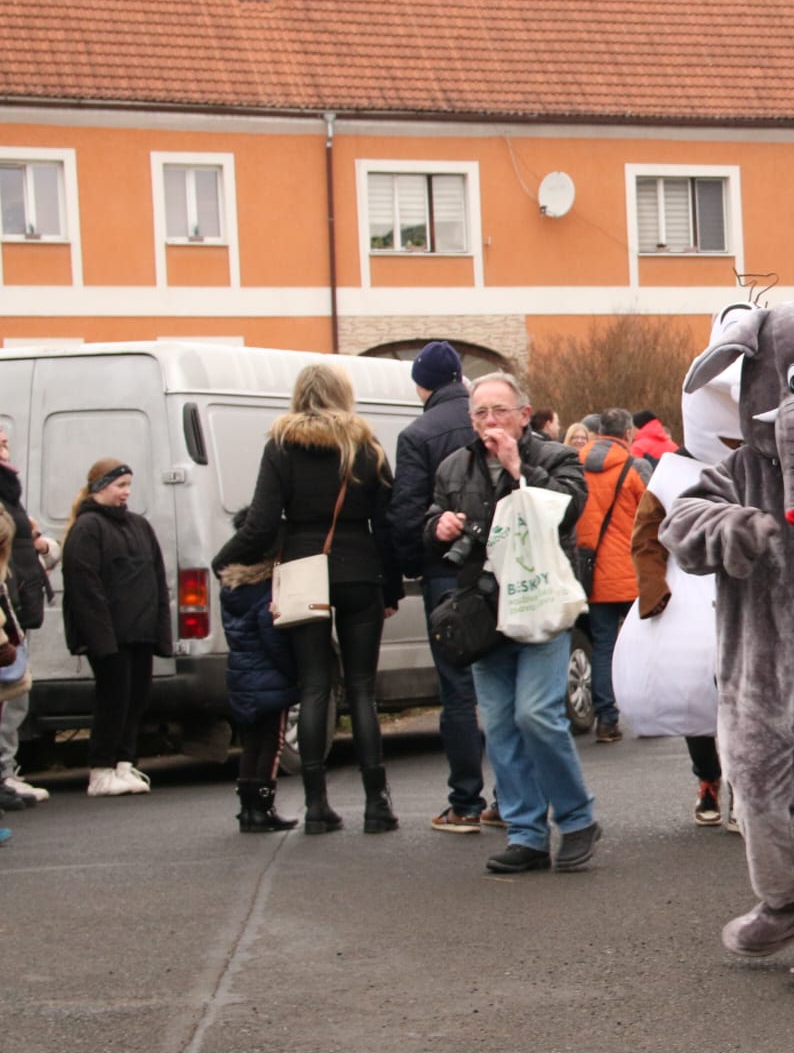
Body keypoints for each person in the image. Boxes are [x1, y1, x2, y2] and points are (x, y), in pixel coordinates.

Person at [213, 363, 404, 833]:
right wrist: (392, 586)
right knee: (361, 689)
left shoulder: (281, 446)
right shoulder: (367, 447)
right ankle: (376, 803)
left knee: (315, 687)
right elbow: (389, 523)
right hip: (361, 570)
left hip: (302, 572)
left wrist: (224, 560)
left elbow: (259, 523)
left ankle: (317, 806)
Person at [427, 374, 595, 873]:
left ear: (525, 414)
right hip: (484, 611)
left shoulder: (555, 457)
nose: (489, 421)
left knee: (536, 715)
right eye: (480, 413)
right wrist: (438, 524)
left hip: (541, 603)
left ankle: (577, 817)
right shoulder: (455, 465)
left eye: (499, 410)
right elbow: (433, 522)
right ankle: (526, 834)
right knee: (499, 723)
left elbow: (568, 512)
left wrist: (520, 469)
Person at [390, 341, 493, 835]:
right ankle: (508, 798)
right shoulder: (488, 419)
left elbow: (407, 513)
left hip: (445, 574)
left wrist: (415, 566)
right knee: (499, 683)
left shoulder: (417, 434)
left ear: (421, 385)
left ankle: (466, 801)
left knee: (457, 690)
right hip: (499, 568)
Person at [61, 459, 172, 796]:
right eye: (120, 485)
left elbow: (156, 579)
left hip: (139, 632)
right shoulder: (87, 528)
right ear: (99, 487)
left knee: (136, 698)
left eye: (128, 486)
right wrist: (101, 639)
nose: (126, 492)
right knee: (113, 699)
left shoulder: (140, 526)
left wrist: (159, 632)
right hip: (109, 636)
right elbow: (85, 587)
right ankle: (100, 768)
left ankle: (124, 762)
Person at [214, 507, 300, 833]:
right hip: (269, 677)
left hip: (241, 675)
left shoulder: (232, 587)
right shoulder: (267, 589)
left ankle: (247, 808)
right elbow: (274, 639)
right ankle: (263, 807)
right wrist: (294, 672)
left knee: (251, 744)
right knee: (272, 744)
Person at [574, 411, 649, 745]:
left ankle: (606, 720)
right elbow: (651, 515)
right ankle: (647, 715)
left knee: (603, 646)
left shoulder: (575, 466)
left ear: (599, 432)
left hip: (593, 574)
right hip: (632, 572)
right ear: (629, 433)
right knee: (640, 646)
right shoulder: (634, 468)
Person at [0, 426, 55, 805]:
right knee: (10, 692)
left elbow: (25, 540)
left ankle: (7, 770)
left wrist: (42, 544)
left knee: (15, 694)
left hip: (17, 600)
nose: (6, 441)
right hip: (9, 601)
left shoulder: (9, 488)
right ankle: (4, 773)